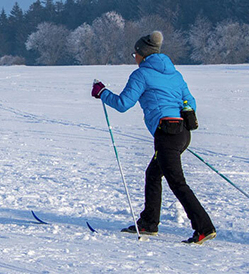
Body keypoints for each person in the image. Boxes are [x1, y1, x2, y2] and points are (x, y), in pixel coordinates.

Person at [91, 31, 216, 245]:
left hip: (166, 134)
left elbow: (123, 104)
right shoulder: (174, 74)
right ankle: (149, 223)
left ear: (142, 54)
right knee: (152, 174)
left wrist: (102, 92)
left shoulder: (141, 75)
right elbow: (191, 103)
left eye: (135, 54)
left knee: (177, 182)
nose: (135, 58)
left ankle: (204, 228)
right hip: (182, 133)